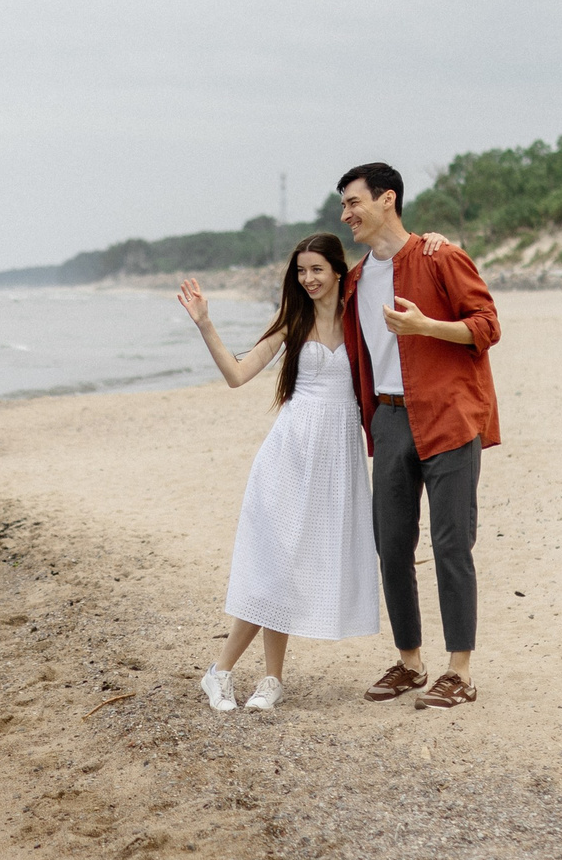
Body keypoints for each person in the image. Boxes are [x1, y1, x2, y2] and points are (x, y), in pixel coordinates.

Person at [174, 228, 452, 711]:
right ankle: (220, 672)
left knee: (294, 564)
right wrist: (204, 323)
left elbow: (398, 264)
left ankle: (271, 680)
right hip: (289, 452)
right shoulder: (292, 319)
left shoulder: (359, 315)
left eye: (316, 270)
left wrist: (437, 240)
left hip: (336, 458)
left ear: (338, 271)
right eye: (300, 272)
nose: (308, 280)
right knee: (276, 562)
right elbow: (237, 376)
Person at [334, 161, 502, 710]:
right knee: (391, 546)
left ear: (387, 199)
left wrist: (427, 326)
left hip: (448, 415)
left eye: (354, 202)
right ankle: (409, 662)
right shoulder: (355, 280)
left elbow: (487, 325)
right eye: (343, 205)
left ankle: (461, 672)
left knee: (453, 544)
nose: (346, 214)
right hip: (388, 418)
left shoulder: (439, 256)